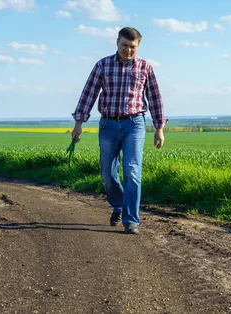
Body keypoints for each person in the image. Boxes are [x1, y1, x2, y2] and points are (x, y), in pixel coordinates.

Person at [71, 27, 167, 235]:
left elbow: (155, 98)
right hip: (108, 125)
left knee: (132, 172)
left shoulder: (145, 68)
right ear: (117, 42)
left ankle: (131, 221)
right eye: (125, 45)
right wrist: (79, 122)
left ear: (138, 46)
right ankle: (119, 204)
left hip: (135, 124)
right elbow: (89, 93)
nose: (128, 50)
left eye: (132, 47)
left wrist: (159, 128)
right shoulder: (103, 65)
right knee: (107, 172)